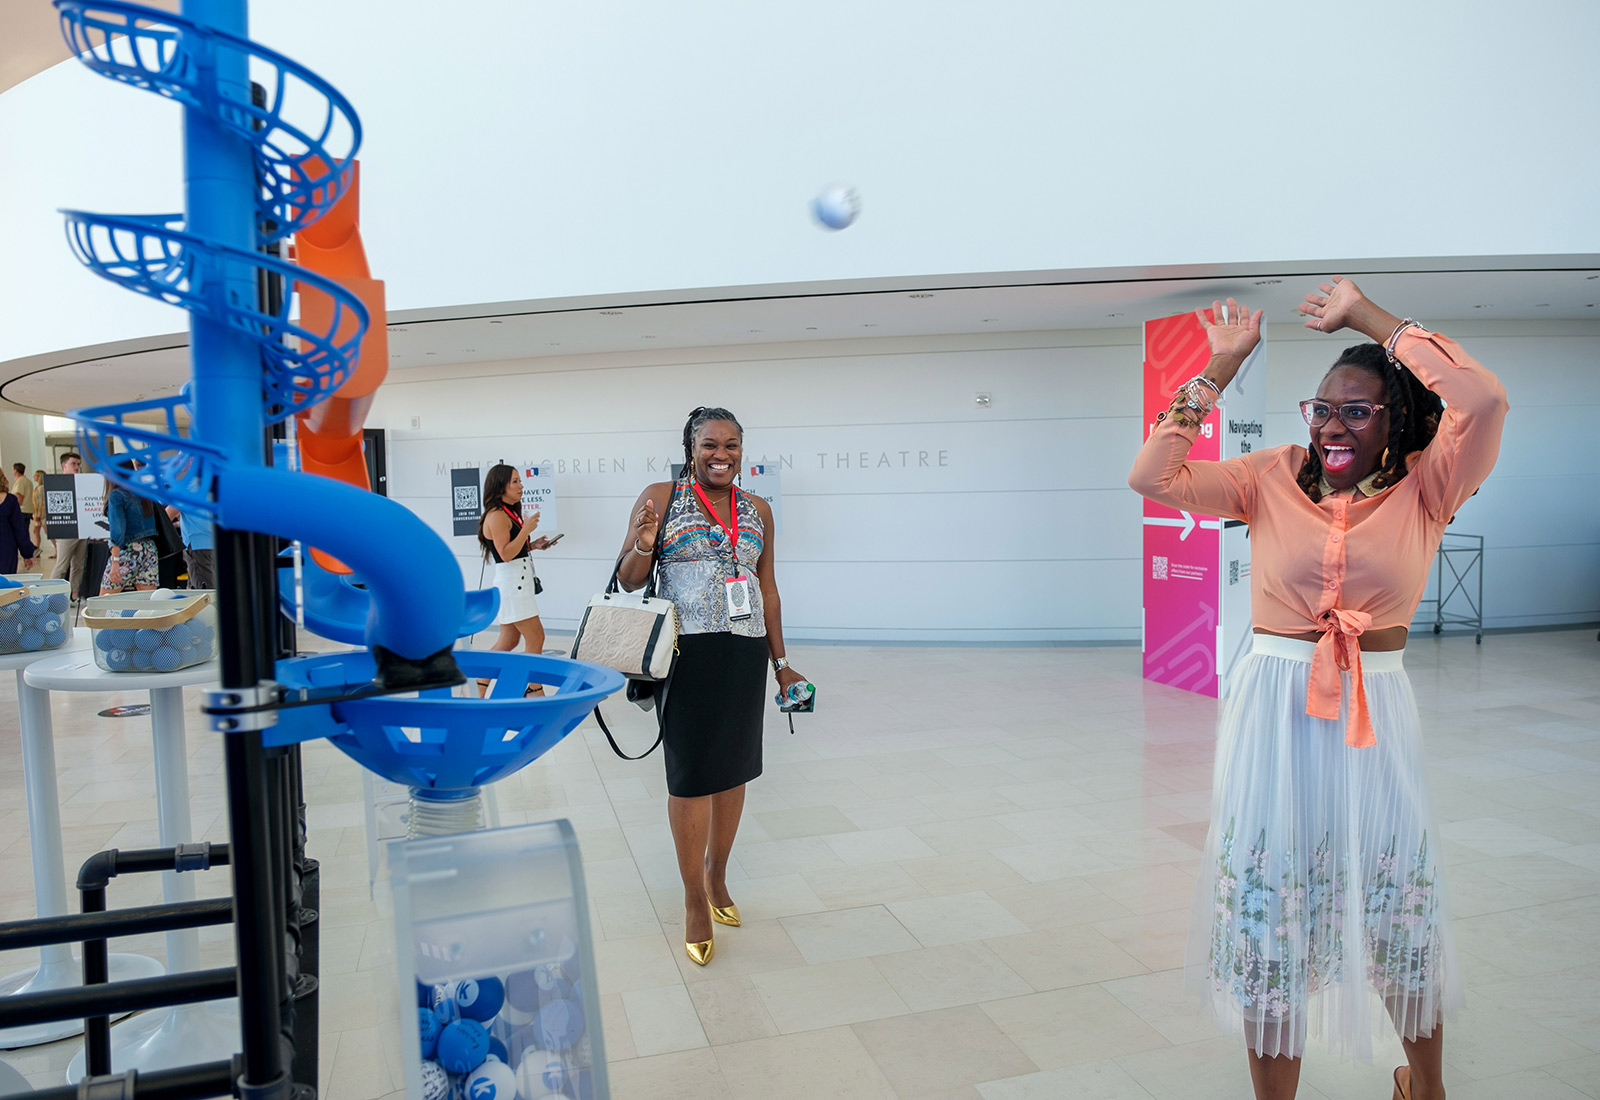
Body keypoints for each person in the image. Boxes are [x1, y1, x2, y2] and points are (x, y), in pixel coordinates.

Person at [1129, 278, 1508, 1100]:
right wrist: (1216, 373)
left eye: (1358, 410)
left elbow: (1482, 395)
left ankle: (1426, 1088)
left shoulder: (1431, 485)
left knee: (1396, 898)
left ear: (1396, 419)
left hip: (1377, 707)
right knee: (1272, 911)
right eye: (1323, 408)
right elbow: (1152, 476)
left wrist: (1366, 316)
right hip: (1274, 709)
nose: (1333, 424)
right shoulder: (1270, 475)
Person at [615, 406, 808, 967]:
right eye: (709, 445)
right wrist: (645, 544)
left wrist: (781, 663)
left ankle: (717, 876)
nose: (721, 455)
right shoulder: (661, 495)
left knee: (734, 769)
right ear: (689, 448)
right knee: (693, 776)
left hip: (744, 655)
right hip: (686, 655)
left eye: (731, 445)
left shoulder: (759, 510)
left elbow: (767, 590)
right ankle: (693, 898)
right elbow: (627, 578)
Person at [477, 464, 552, 693]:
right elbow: (505, 554)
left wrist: (534, 545)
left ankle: (480, 681)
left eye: (520, 481)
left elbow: (514, 548)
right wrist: (526, 529)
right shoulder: (497, 515)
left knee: (508, 642)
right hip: (513, 585)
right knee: (536, 637)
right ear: (501, 487)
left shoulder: (508, 511)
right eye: (515, 482)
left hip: (517, 582)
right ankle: (534, 688)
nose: (521, 486)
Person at [102, 484, 161, 593]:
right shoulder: (144, 492)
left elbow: (117, 532)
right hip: (149, 550)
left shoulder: (116, 495)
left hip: (128, 550)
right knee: (148, 605)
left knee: (103, 603)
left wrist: (115, 561)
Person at [50, 452, 88, 596]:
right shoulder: (56, 484)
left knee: (78, 565)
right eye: (73, 464)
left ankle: (74, 594)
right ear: (64, 465)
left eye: (78, 464)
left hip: (82, 528)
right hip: (66, 529)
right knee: (62, 565)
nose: (77, 467)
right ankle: (51, 594)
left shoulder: (83, 483)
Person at [166, 504, 215, 589]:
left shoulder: (185, 490)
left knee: (203, 591)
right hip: (214, 541)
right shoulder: (210, 491)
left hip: (197, 544)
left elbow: (166, 515)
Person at [0, 478, 35, 574]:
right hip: (5, 551)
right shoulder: (10, 500)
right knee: (6, 585)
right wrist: (27, 554)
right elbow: (20, 530)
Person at [29, 470, 45, 553]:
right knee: (36, 531)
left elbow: (40, 502)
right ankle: (36, 548)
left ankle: (57, 548)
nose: (33, 477)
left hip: (41, 514)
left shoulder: (41, 488)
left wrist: (38, 514)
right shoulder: (38, 488)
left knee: (46, 531)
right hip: (37, 513)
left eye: (35, 475)